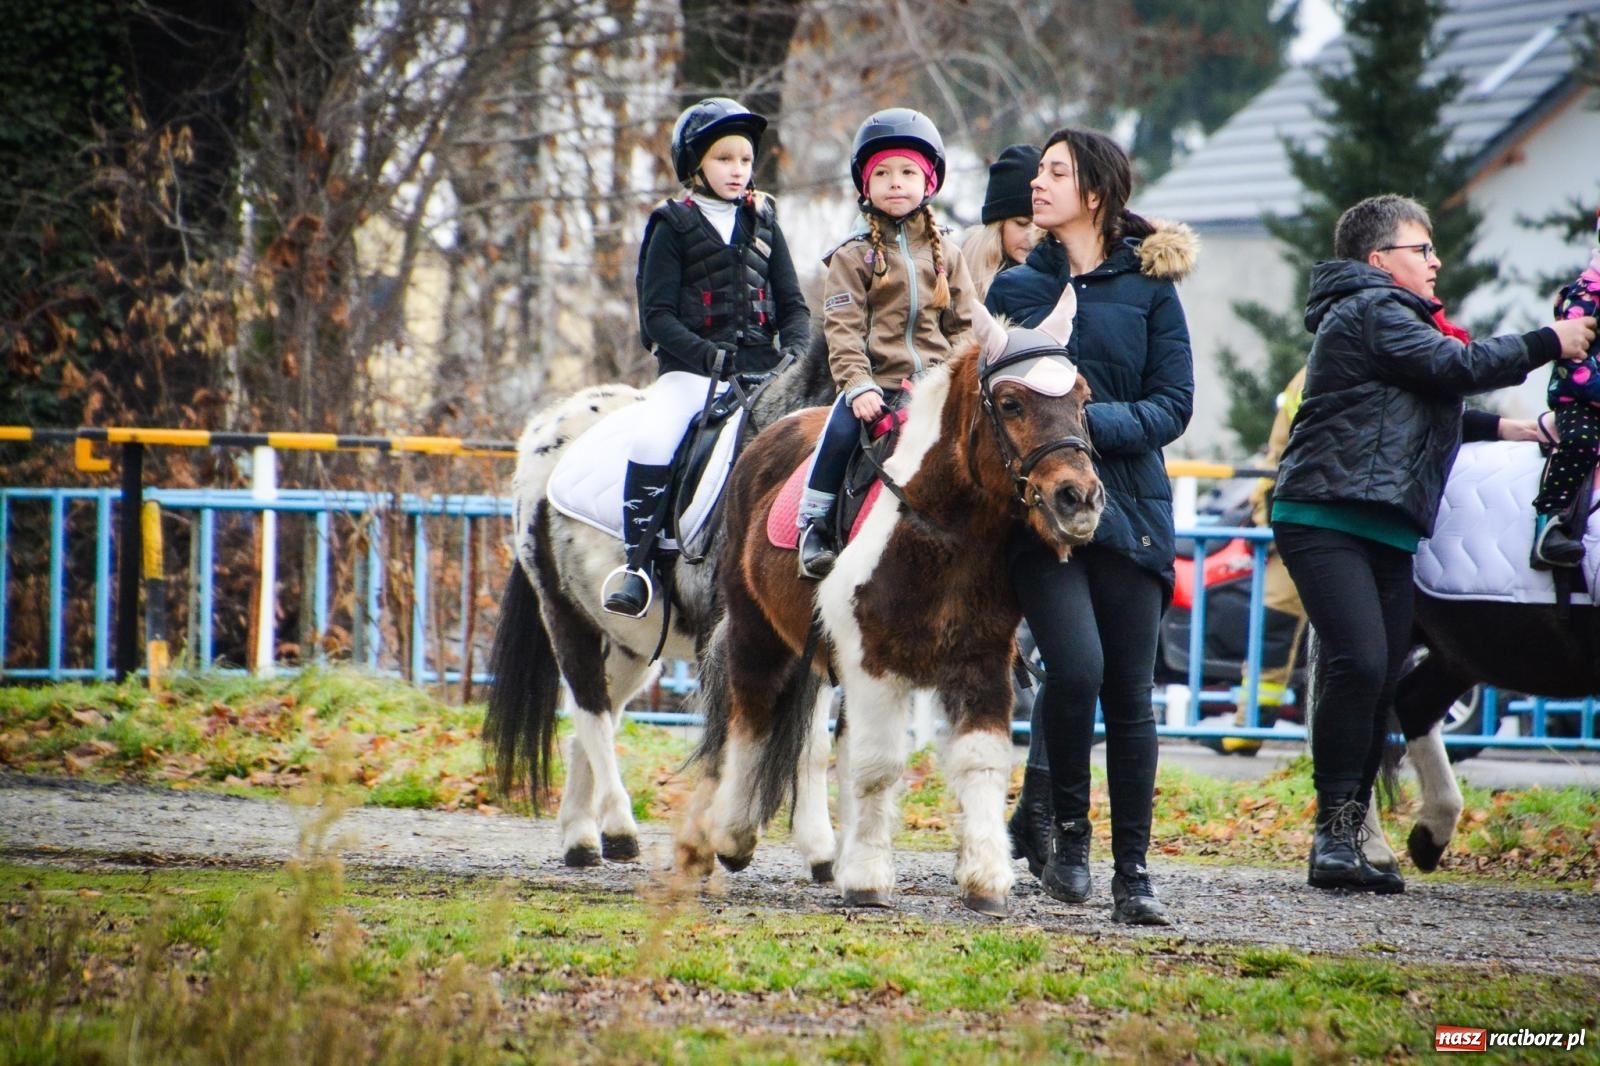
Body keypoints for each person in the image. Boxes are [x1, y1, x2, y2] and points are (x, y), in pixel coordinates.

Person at [1269, 193, 1596, 893]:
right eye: (1423, 249)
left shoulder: (1390, 322)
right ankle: (1333, 836)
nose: (1436, 260)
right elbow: (1455, 369)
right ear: (1379, 259)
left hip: (1385, 524)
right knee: (1358, 664)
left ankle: (1351, 836)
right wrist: (1550, 341)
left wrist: (1512, 430)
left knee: (1383, 675)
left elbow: (1427, 402)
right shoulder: (1372, 310)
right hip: (1327, 518)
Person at [986, 128, 1197, 926]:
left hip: (1131, 508)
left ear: (1095, 193)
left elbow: (1173, 406)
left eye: (1054, 173)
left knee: (1129, 695)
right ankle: (1066, 838)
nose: (1037, 185)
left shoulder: (1149, 288)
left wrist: (1077, 427)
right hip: (1037, 520)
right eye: (1038, 170)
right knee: (1073, 671)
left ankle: (1133, 874)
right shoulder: (1015, 291)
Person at [603, 98, 810, 616]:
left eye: (744, 159)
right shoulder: (671, 225)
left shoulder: (765, 220)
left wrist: (799, 352)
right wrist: (707, 356)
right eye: (724, 159)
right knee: (654, 441)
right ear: (697, 164)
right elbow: (657, 318)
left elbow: (794, 305)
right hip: (693, 375)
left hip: (767, 374)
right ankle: (639, 565)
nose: (737, 170)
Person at [795, 108, 976, 578]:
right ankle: (813, 525)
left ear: (928, 182)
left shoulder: (949, 255)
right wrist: (857, 386)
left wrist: (961, 380)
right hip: (877, 387)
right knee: (835, 434)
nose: (896, 183)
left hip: (937, 386)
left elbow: (964, 327)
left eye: (908, 172)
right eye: (883, 173)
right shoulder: (852, 257)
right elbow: (843, 330)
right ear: (865, 186)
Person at [1530, 208, 1600, 568]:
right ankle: (1551, 523)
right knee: (1581, 443)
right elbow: (1573, 359)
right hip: (1582, 399)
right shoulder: (1586, 296)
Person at [958, 144, 1042, 301]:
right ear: (998, 226)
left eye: (1042, 228)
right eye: (1022, 223)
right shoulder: (958, 275)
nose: (1032, 237)